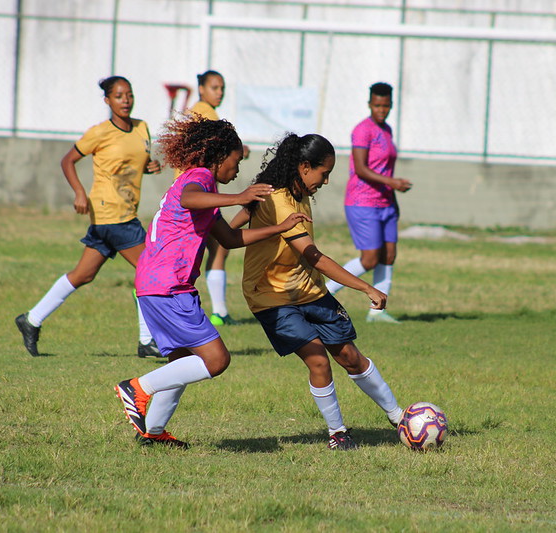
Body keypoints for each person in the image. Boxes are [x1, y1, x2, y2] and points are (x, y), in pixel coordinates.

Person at [115, 117, 308, 448]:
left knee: (184, 361)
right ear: (219, 156)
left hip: (157, 283)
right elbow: (190, 199)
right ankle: (137, 388)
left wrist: (279, 228)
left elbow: (230, 239)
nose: (237, 169)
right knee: (216, 360)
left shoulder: (208, 191)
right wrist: (238, 197)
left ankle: (154, 431)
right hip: (167, 285)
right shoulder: (199, 178)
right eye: (237, 161)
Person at [242, 133, 404, 450]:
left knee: (350, 357)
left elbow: (247, 215)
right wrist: (364, 287)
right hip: (271, 297)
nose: (326, 181)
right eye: (324, 173)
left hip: (309, 289)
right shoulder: (277, 200)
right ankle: (337, 433)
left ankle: (400, 418)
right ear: (304, 167)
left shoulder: (297, 192)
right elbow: (313, 256)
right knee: (318, 360)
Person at [14, 76, 163, 357]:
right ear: (107, 101)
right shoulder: (99, 132)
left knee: (83, 275)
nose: (126, 100)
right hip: (111, 214)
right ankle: (146, 341)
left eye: (129, 94)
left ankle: (31, 320)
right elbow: (67, 160)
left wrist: (148, 166)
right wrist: (79, 192)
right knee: (150, 270)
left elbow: (129, 164)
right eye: (119, 96)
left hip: (122, 213)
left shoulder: (142, 127)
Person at [325, 82, 412, 324]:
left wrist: (392, 197)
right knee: (370, 258)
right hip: (363, 201)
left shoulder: (387, 130)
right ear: (369, 104)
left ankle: (377, 312)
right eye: (377, 105)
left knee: (389, 255)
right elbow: (361, 169)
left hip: (387, 204)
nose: (381, 110)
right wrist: (392, 182)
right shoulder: (362, 130)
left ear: (391, 105)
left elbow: (386, 166)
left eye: (385, 105)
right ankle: (324, 292)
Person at [185, 70, 250, 326]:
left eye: (221, 87)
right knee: (217, 247)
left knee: (217, 247)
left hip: (198, 189)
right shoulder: (206, 113)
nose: (219, 92)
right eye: (214, 87)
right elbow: (210, 150)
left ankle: (219, 311)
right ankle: (219, 312)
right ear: (201, 88)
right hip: (201, 192)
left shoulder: (195, 111)